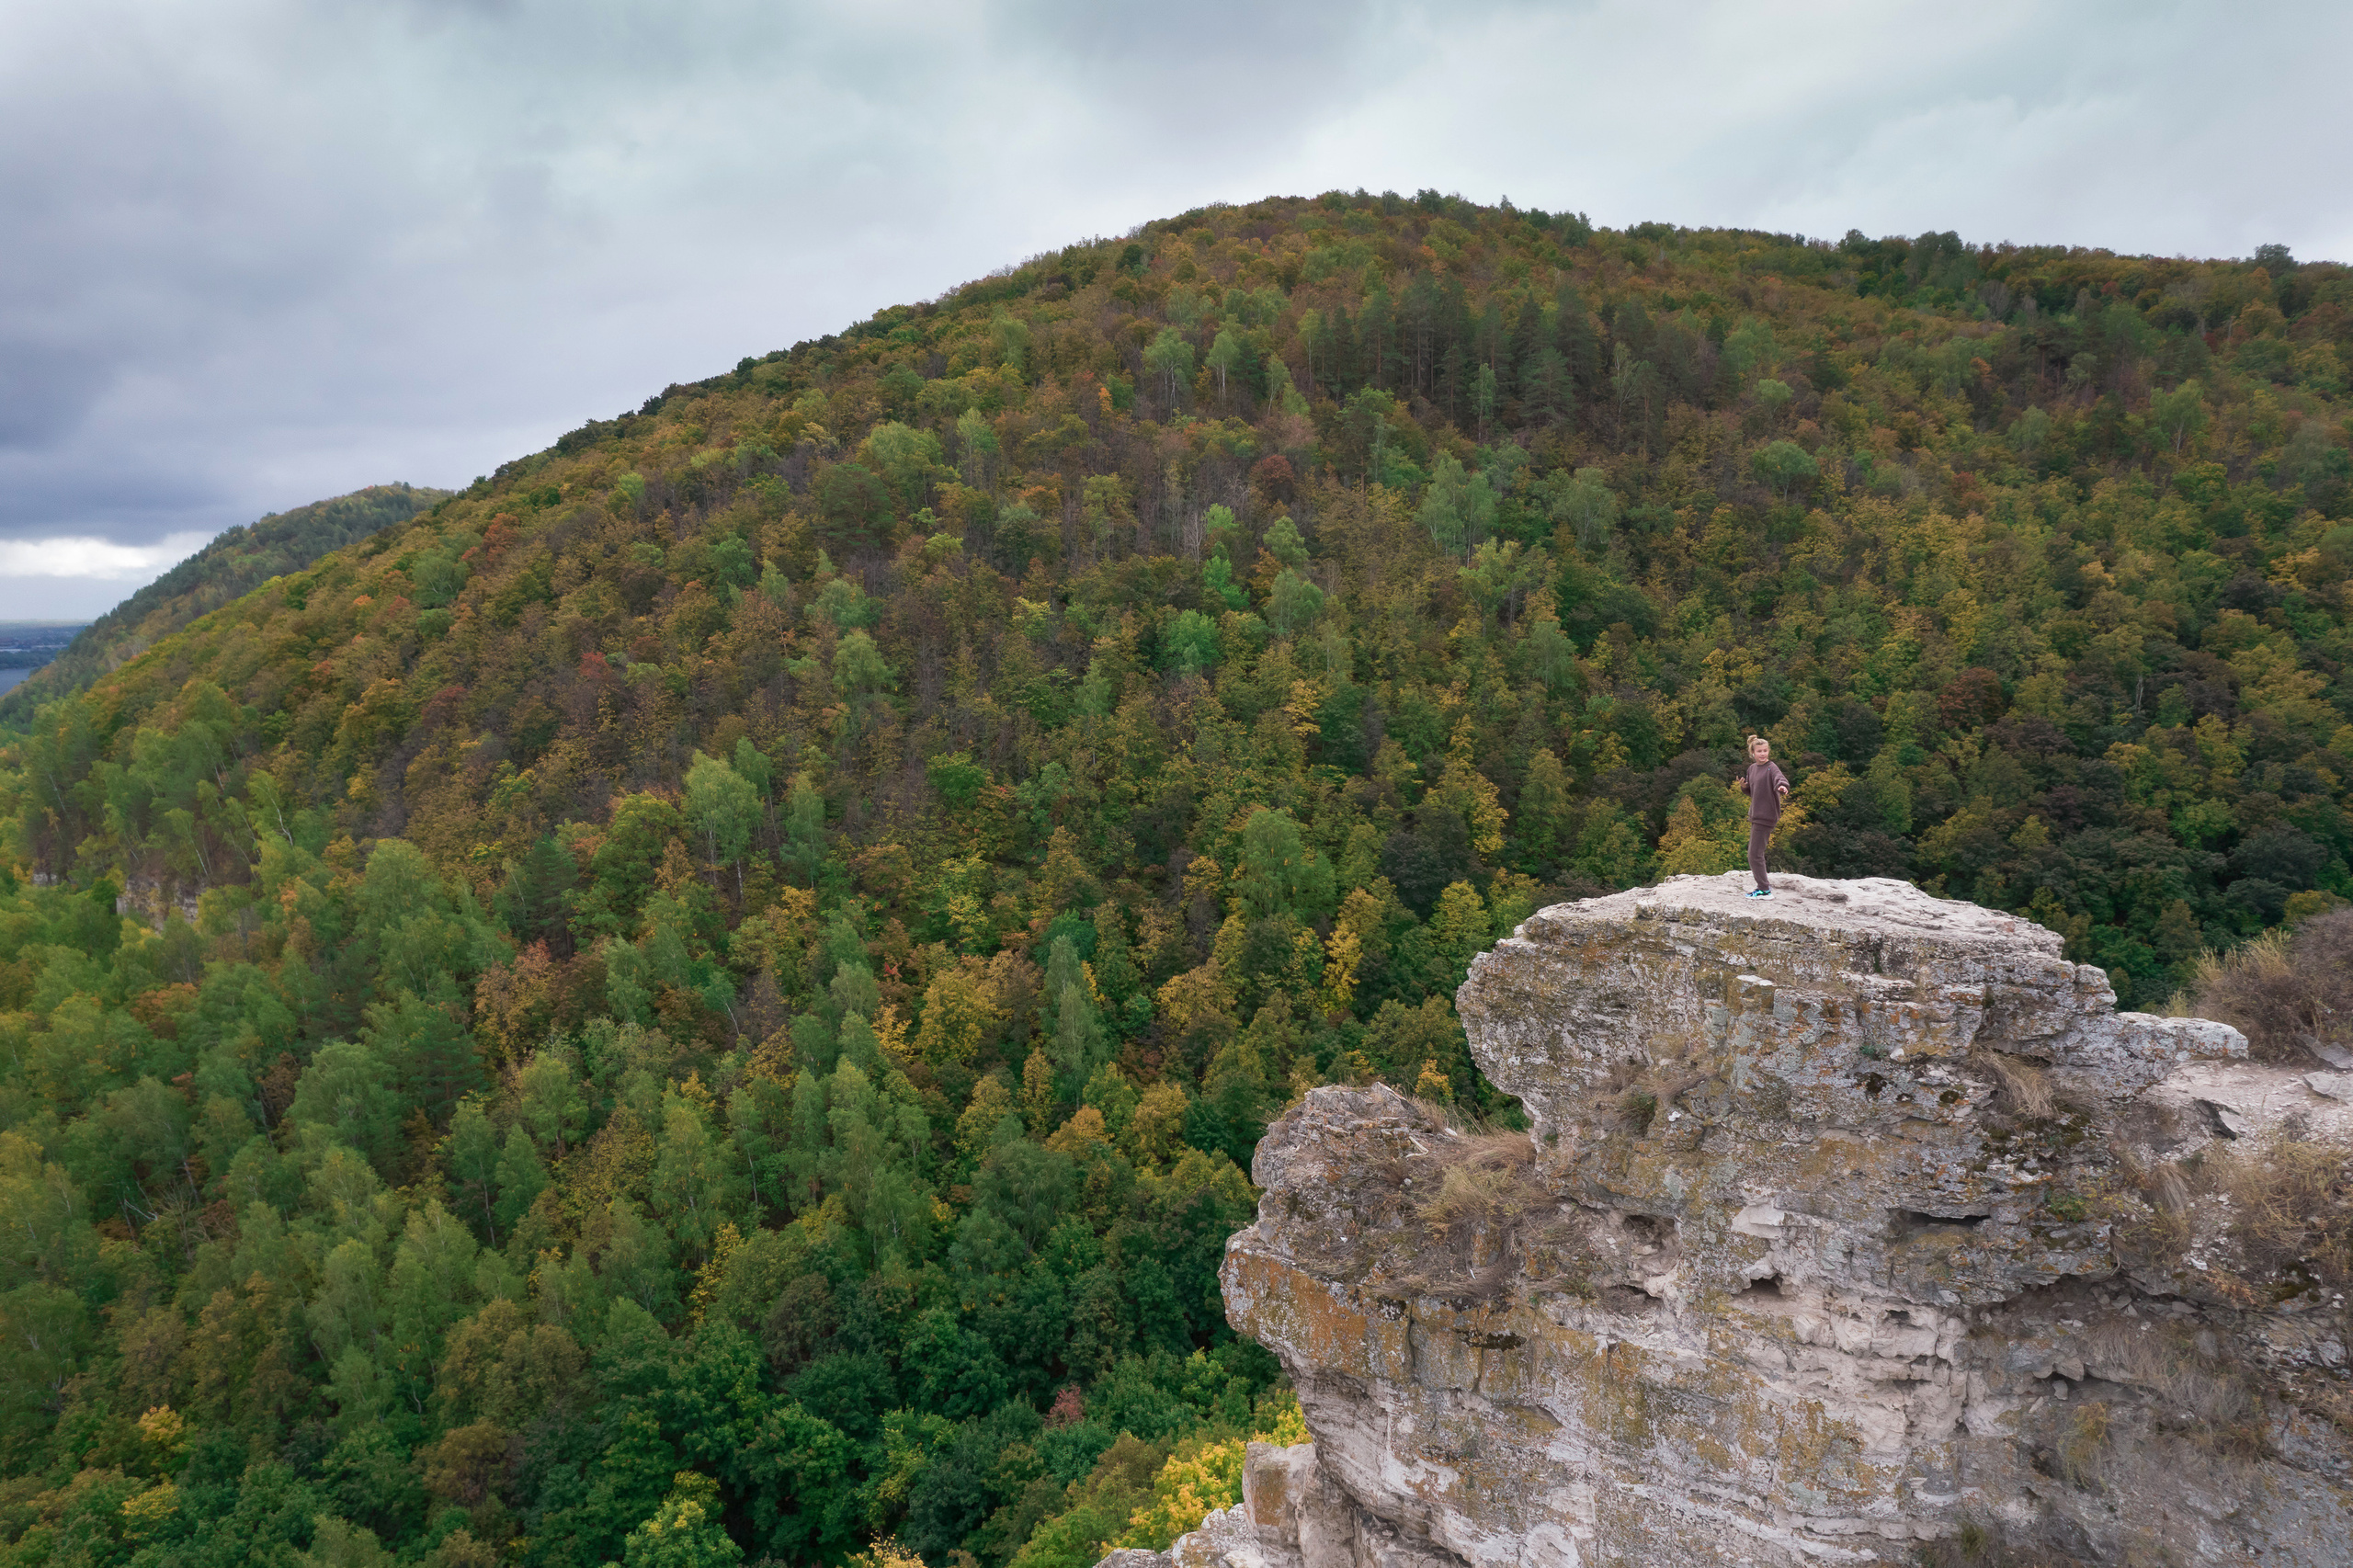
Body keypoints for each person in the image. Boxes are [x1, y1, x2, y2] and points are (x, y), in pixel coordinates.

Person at [1735, 735, 1790, 898]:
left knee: (1754, 854)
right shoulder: (1752, 769)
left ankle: (1764, 890)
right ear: (1753, 752)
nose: (1763, 754)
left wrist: (1782, 786)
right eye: (1759, 751)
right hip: (1757, 814)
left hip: (1766, 816)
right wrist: (1744, 787)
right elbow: (1754, 791)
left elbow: (1780, 779)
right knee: (1755, 853)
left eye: (1765, 751)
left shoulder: (1771, 767)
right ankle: (1763, 887)